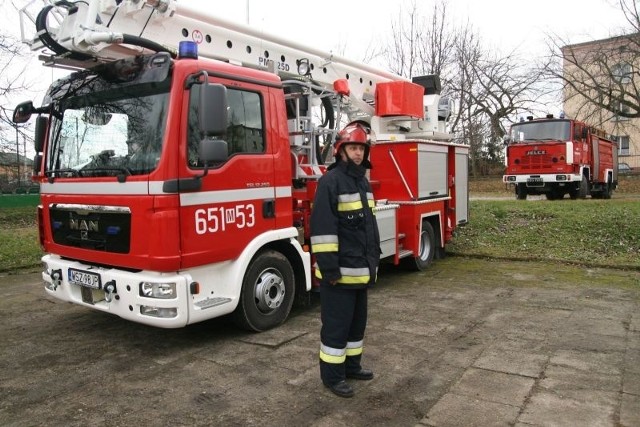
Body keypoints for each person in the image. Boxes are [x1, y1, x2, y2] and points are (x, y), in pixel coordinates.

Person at [310, 121, 382, 398]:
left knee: (356, 326)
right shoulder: (330, 182)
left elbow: (368, 229)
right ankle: (332, 377)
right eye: (352, 148)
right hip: (338, 275)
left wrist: (373, 262)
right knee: (336, 329)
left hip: (360, 273)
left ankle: (352, 366)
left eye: (361, 148)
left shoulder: (362, 181)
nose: (357, 153)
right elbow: (323, 231)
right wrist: (330, 271)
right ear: (341, 150)